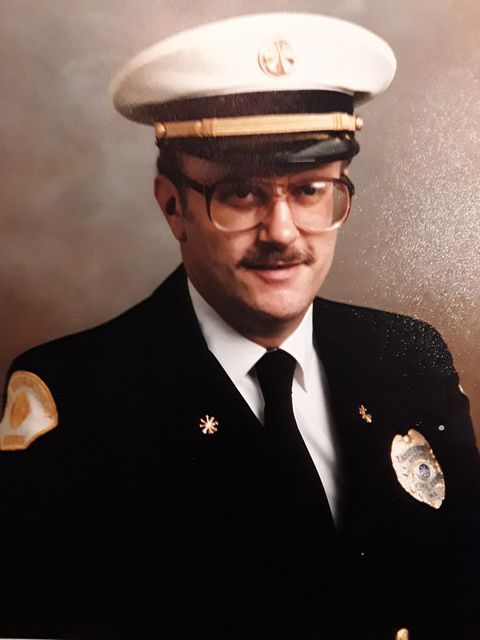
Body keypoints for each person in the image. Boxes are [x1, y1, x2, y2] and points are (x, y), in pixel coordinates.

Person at [0, 11, 479, 640]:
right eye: (241, 195)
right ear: (173, 207)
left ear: (344, 198)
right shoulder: (79, 399)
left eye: (310, 190)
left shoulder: (407, 356)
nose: (282, 233)